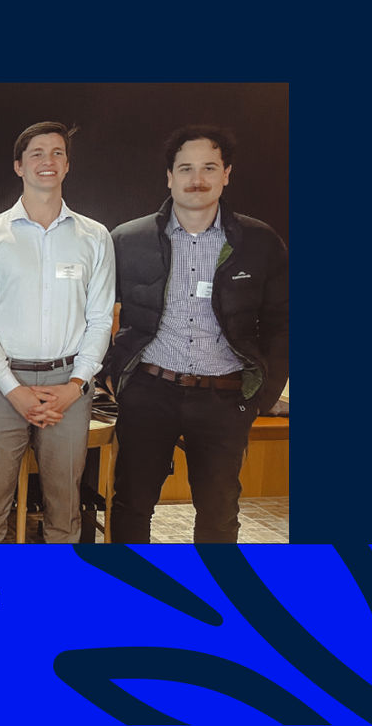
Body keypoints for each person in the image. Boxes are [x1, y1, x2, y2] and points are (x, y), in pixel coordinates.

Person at [104, 125, 288, 543]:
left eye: (209, 167)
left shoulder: (260, 242)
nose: (197, 179)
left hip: (225, 397)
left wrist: (262, 396)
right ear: (170, 176)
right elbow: (92, 314)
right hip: (149, 392)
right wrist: (108, 377)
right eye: (186, 168)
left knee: (219, 513)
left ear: (227, 174)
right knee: (131, 504)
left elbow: (282, 323)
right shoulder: (128, 240)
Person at [0, 121, 114, 544]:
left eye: (57, 153)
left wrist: (75, 385)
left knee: (65, 504)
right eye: (37, 154)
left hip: (69, 385)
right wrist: (13, 390)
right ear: (18, 166)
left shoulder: (95, 237)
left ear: (67, 165)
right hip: (2, 383)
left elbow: (101, 319)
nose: (48, 161)